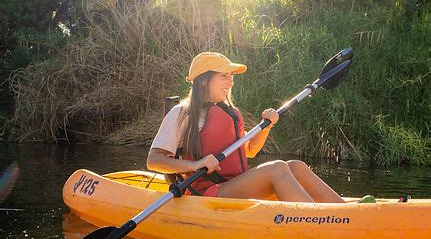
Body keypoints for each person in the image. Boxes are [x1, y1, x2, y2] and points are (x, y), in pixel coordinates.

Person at [147, 52, 346, 203]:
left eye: (231, 76)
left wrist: (267, 126)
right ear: (203, 81)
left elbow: (249, 151)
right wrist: (194, 166)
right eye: (224, 76)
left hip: (232, 185)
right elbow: (154, 160)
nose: (230, 82)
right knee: (276, 168)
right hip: (205, 193)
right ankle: (317, 222)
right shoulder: (182, 114)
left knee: (296, 166)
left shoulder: (228, 112)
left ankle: (344, 211)